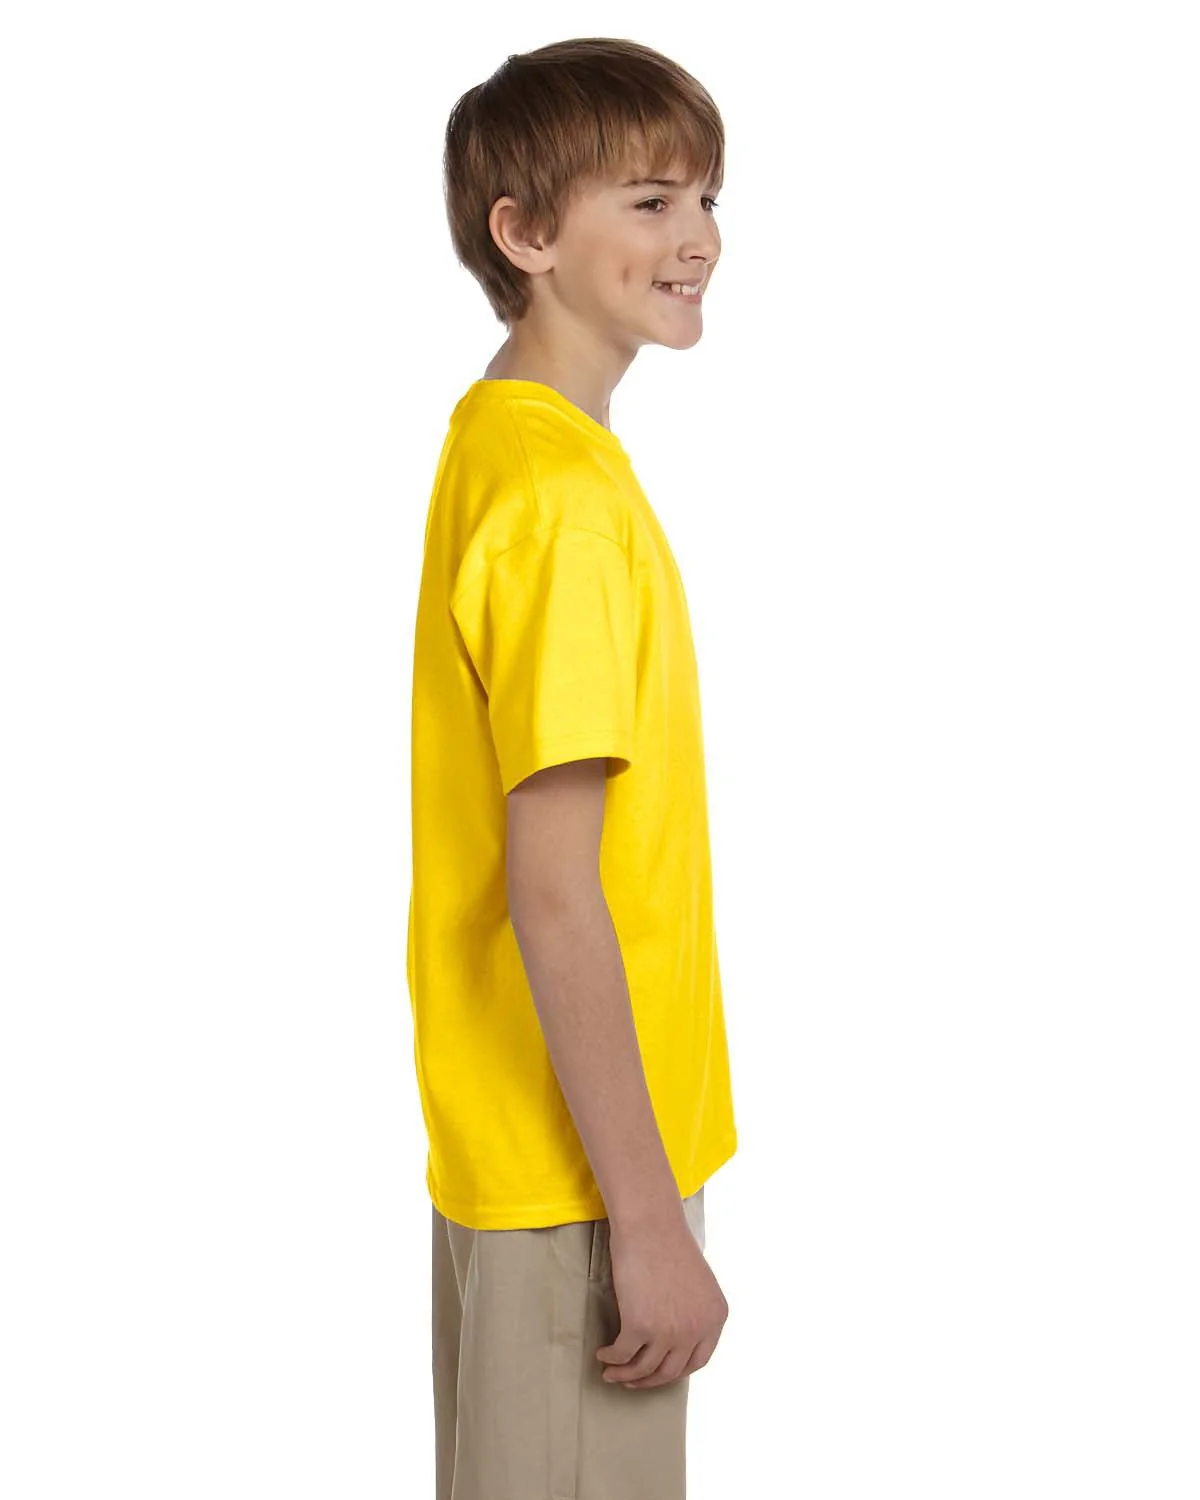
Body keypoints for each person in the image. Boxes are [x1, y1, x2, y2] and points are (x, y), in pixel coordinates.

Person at [407, 36, 738, 1500]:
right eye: (651, 202)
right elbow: (555, 891)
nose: (700, 237)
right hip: (584, 1180)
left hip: (539, 1153)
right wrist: (647, 1223)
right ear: (525, 234)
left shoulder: (505, 443)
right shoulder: (561, 505)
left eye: (708, 198)